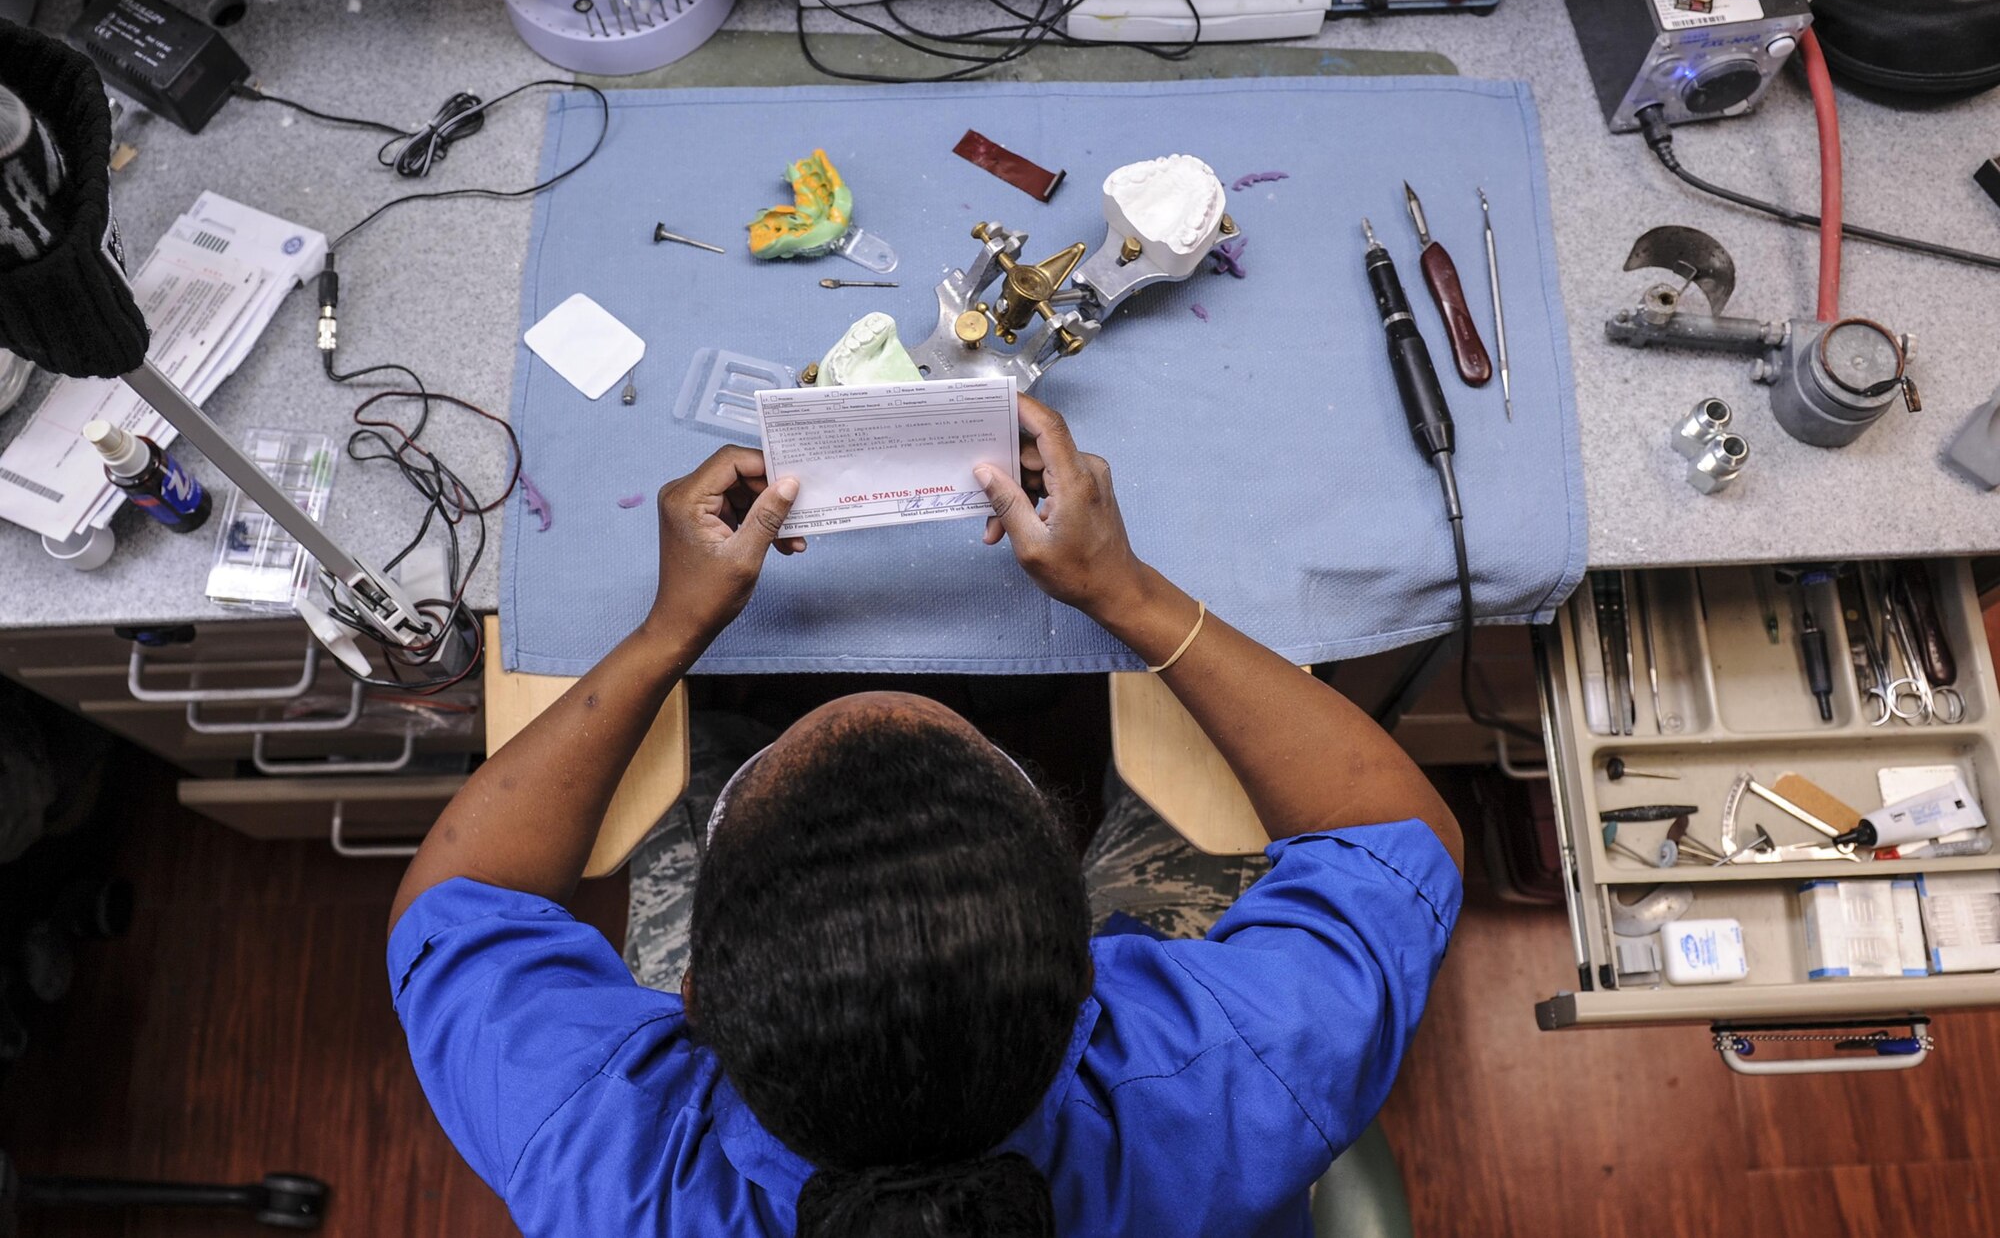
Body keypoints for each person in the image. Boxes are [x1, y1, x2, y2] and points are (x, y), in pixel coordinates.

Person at [388, 397, 1464, 1238]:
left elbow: (458, 900)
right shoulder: (1233, 1076)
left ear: (694, 999)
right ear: (1088, 968)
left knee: (665, 783)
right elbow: (1390, 836)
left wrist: (668, 630)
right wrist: (1125, 593)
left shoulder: (607, 1157)